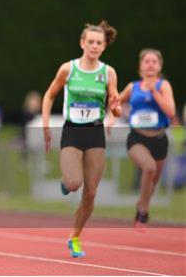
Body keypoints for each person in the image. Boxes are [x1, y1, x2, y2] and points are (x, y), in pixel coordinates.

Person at [41, 21, 121, 258]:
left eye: (99, 43)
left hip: (95, 132)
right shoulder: (68, 69)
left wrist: (115, 112)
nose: (94, 46)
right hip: (73, 130)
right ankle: (66, 182)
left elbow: (114, 104)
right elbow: (49, 95)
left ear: (104, 46)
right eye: (91, 42)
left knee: (91, 193)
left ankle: (74, 237)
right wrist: (45, 125)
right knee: (75, 183)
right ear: (82, 43)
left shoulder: (108, 72)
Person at [118, 49, 176, 228]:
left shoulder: (163, 86)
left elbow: (171, 112)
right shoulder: (132, 87)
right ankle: (143, 210)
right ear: (140, 66)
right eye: (147, 61)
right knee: (148, 168)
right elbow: (117, 102)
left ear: (159, 66)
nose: (150, 64)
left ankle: (141, 204)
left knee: (153, 182)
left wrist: (154, 93)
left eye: (154, 62)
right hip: (137, 138)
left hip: (159, 139)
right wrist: (114, 115)